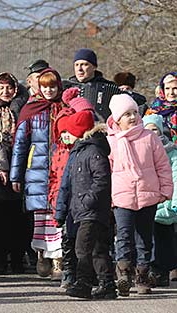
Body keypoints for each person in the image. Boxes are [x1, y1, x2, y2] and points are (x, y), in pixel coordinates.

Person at [107, 94, 173, 296]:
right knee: (124, 236)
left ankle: (142, 275)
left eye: (135, 112)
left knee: (144, 238)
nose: (133, 117)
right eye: (127, 114)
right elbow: (107, 171)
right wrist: (107, 197)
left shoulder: (149, 137)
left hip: (147, 195)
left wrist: (165, 190)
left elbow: (163, 165)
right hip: (122, 196)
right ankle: (124, 274)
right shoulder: (111, 141)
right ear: (117, 118)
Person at [55, 111, 117, 299]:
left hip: (92, 210)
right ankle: (107, 283)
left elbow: (101, 179)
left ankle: (83, 282)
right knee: (98, 248)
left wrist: (87, 200)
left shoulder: (93, 151)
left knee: (83, 248)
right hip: (83, 210)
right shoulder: (81, 150)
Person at [10, 68, 65, 279]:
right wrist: (16, 175)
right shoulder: (30, 110)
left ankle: (59, 260)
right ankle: (42, 254)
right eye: (45, 87)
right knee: (40, 217)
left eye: (52, 86)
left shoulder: (65, 108)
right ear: (39, 88)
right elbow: (20, 145)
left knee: (57, 216)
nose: (49, 91)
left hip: (59, 171)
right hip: (37, 172)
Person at [0, 72, 28, 275]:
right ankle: (0, 258)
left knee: (19, 216)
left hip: (20, 165)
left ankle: (18, 258)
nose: (6, 92)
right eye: (2, 88)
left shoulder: (23, 107)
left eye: (9, 88)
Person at [142, 114, 177, 287]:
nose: (152, 133)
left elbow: (175, 176)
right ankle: (149, 271)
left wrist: (173, 201)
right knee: (149, 241)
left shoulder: (171, 151)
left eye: (154, 129)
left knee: (165, 241)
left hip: (165, 203)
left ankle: (162, 271)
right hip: (147, 202)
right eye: (147, 130)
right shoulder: (141, 149)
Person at [63, 48, 116, 121]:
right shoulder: (66, 87)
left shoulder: (108, 86)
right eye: (76, 65)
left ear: (94, 67)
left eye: (84, 64)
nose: (79, 69)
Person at [146, 72, 177, 142]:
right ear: (162, 89)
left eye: (175, 88)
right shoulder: (154, 109)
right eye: (167, 88)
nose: (171, 92)